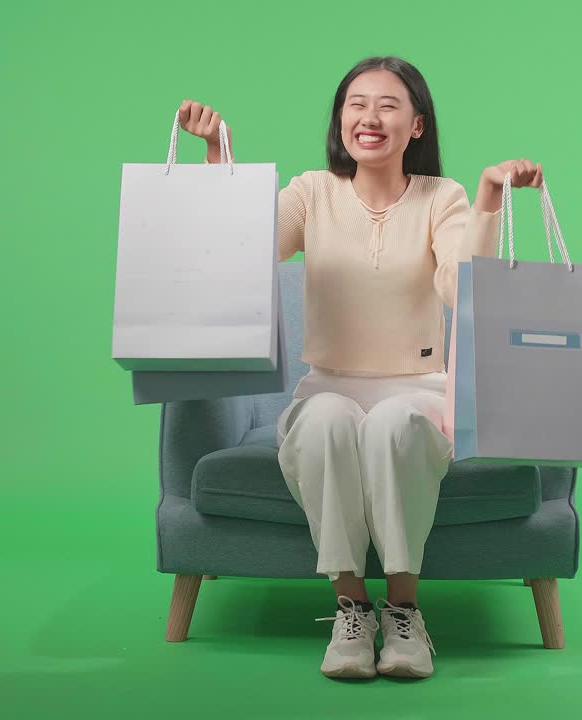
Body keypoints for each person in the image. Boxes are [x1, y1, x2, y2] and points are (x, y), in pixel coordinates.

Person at [179, 55, 543, 680]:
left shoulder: (441, 197)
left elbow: (463, 287)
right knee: (323, 421)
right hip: (327, 384)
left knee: (394, 425)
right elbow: (246, 244)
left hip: (420, 390)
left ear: (417, 125)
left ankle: (404, 614)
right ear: (340, 119)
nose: (368, 117)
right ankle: (350, 610)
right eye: (356, 103)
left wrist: (487, 197)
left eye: (387, 105)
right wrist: (218, 155)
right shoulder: (311, 193)